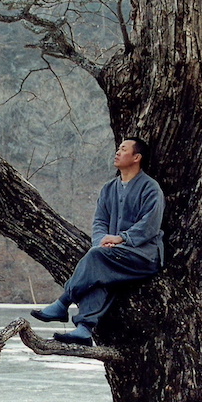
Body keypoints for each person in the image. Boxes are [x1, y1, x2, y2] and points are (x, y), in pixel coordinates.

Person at [30, 137, 165, 345]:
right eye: (118, 148)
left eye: (123, 149)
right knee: (98, 273)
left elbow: (150, 225)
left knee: (97, 259)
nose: (117, 153)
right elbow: (99, 222)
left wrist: (121, 238)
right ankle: (84, 330)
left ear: (136, 157)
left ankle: (63, 302)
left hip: (144, 256)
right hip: (113, 255)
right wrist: (102, 241)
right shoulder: (109, 188)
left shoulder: (150, 188)